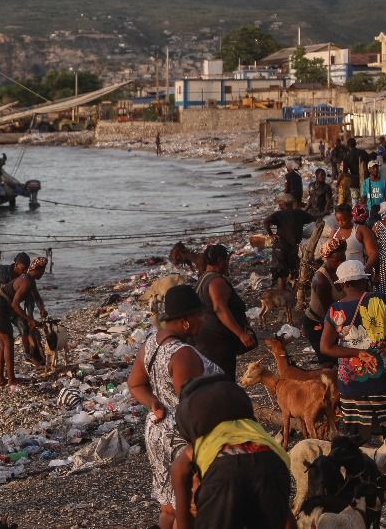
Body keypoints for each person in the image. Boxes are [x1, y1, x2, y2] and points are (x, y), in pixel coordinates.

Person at [128, 285, 220, 529]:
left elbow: (135, 383)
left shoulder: (151, 343)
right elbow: (191, 406)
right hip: (182, 437)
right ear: (186, 320)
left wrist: (153, 402)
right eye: (199, 315)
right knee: (187, 507)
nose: (202, 319)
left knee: (169, 505)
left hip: (157, 431)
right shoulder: (183, 354)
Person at [170, 375, 291, 529]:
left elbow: (177, 471)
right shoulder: (252, 429)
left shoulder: (200, 441)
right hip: (273, 463)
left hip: (224, 471)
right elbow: (286, 517)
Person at [321, 260, 386, 440]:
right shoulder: (381, 300)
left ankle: (355, 467)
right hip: (383, 382)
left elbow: (326, 347)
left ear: (344, 284)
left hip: (351, 384)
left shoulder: (335, 310)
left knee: (353, 435)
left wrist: (355, 353)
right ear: (364, 280)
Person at [193, 245, 256, 379]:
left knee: (212, 377)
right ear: (220, 260)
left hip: (204, 340)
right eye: (227, 260)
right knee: (224, 378)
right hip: (217, 342)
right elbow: (220, 309)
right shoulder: (216, 281)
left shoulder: (203, 279)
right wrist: (240, 334)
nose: (227, 264)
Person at [0, 256, 48, 386]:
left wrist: (42, 309)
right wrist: (29, 319)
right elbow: (15, 305)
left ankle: (0, 379)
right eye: (43, 270)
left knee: (3, 344)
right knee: (8, 342)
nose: (43, 273)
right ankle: (12, 380)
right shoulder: (26, 282)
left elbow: (37, 297)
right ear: (37, 270)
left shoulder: (29, 280)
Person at [305, 240, 345, 366]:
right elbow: (330, 311)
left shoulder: (340, 271)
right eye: (337, 260)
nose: (341, 263)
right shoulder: (320, 280)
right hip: (317, 322)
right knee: (328, 360)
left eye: (343, 259)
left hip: (333, 318)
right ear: (326, 258)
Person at [264, 194, 314, 290]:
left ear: (282, 205)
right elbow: (313, 219)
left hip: (280, 246)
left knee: (280, 273)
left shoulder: (278, 214)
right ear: (292, 204)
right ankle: (295, 294)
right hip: (293, 247)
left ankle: (283, 294)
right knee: (293, 270)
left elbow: (266, 222)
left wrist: (271, 234)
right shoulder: (299, 213)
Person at [321, 203, 378, 269]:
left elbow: (373, 253)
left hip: (357, 273)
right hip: (339, 275)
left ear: (351, 216)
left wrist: (366, 269)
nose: (340, 223)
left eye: (344, 220)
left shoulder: (361, 230)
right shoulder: (334, 233)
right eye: (338, 220)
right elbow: (327, 255)